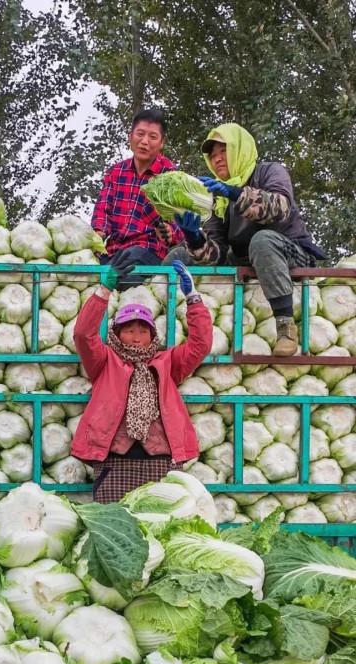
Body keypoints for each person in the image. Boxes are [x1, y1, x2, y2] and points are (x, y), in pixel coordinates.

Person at [170, 122, 326, 356]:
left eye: (224, 151)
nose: (218, 160)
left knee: (262, 240)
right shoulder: (217, 199)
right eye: (212, 156)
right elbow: (216, 255)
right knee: (180, 253)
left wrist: (234, 193)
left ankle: (285, 327)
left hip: (290, 253)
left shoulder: (270, 172)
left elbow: (279, 209)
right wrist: (194, 239)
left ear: (239, 148)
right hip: (244, 262)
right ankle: (154, 316)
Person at [71, 251, 213, 503]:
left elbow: (200, 345)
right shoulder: (105, 362)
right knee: (116, 532)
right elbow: (83, 334)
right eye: (128, 330)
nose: (136, 337)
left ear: (152, 336)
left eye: (142, 331)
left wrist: (193, 299)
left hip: (161, 462)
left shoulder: (167, 363)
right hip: (115, 462)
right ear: (116, 334)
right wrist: (104, 289)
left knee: (161, 530)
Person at [92, 107, 184, 287]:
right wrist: (96, 236)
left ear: (161, 143)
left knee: (131, 258)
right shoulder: (116, 172)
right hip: (113, 253)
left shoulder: (170, 177)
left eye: (152, 137)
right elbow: (102, 212)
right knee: (86, 270)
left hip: (147, 253)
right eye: (140, 134)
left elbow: (180, 226)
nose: (144, 141)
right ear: (130, 136)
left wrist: (169, 231)